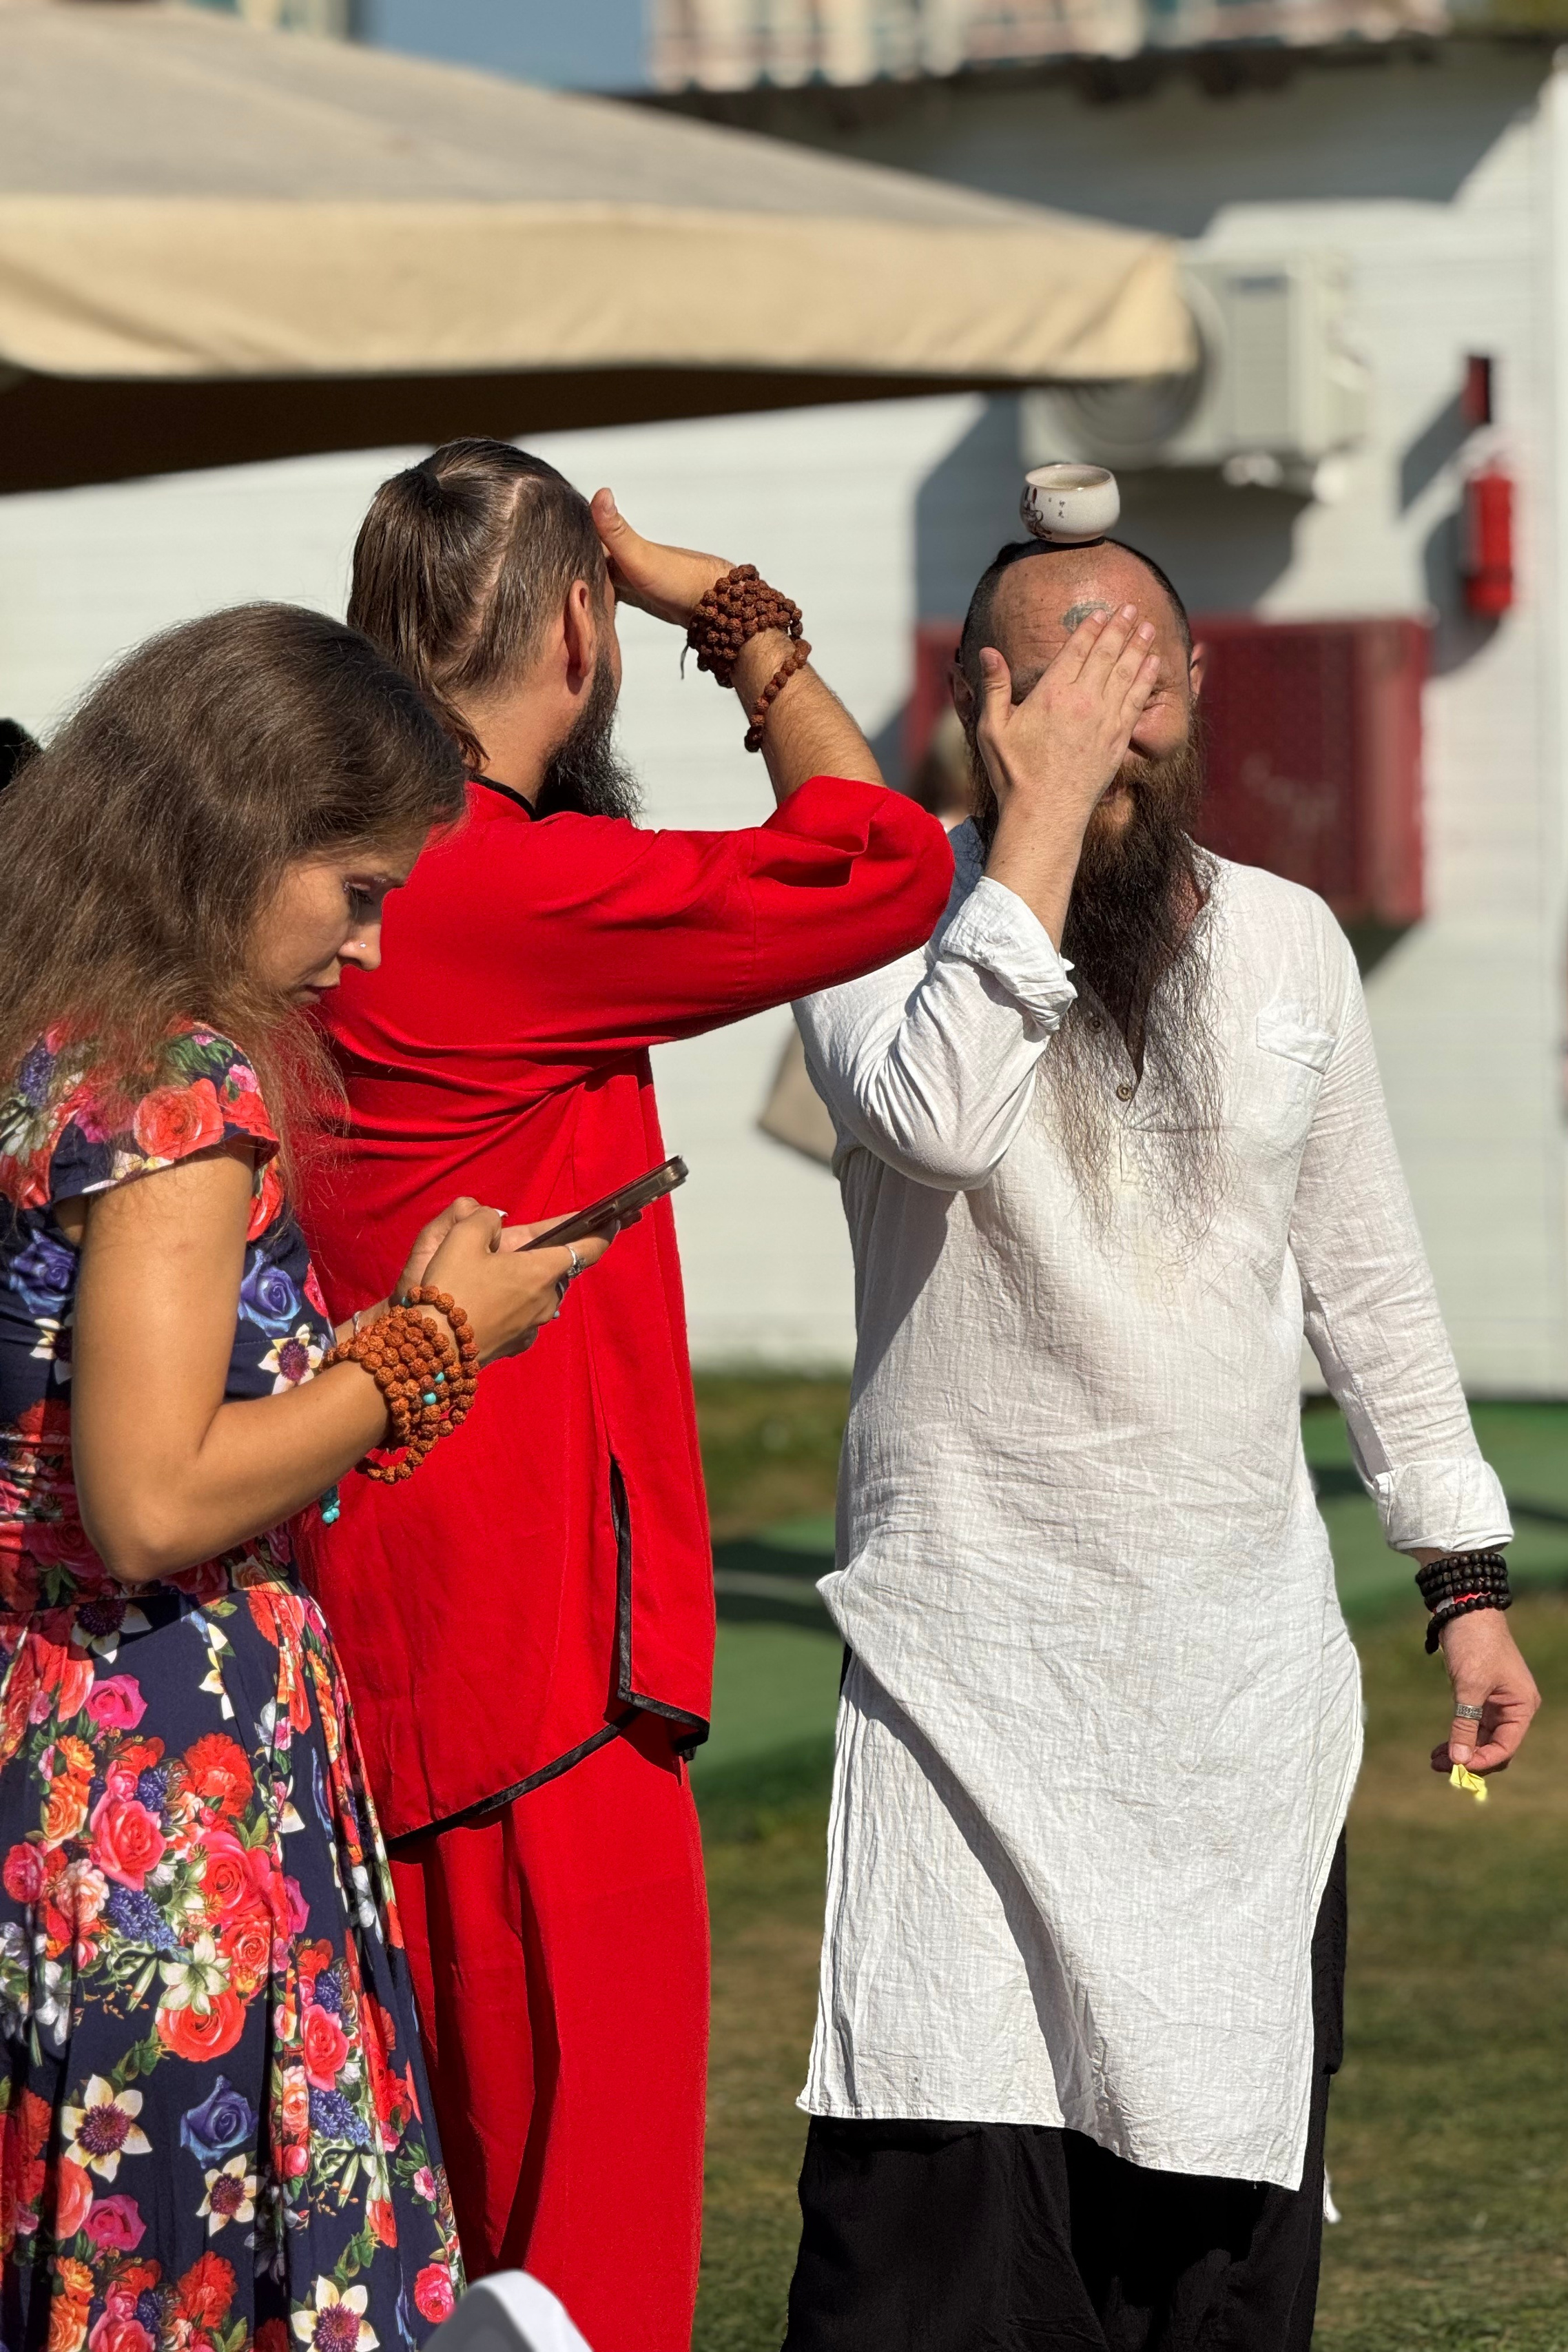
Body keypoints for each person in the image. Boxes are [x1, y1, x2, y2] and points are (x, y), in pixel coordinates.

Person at [785, 538, 1543, 2352]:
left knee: (1207, 2273)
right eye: (1061, 693)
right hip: (963, 1690)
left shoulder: (1286, 940)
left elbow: (1371, 1286)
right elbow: (942, 1118)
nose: (1109, 737)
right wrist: (1031, 829)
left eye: (1145, 694)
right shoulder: (873, 925)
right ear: (977, 700)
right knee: (936, 2262)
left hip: (1232, 1717)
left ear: (1197, 699)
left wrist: (1465, 1581)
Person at [296, 440, 953, 2349]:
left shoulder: (314, 885)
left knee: (413, 2267)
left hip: (375, 1644)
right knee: (582, 2284)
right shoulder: (494, 886)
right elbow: (882, 855)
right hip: (531, 1680)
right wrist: (737, 620)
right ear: (577, 630)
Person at [0, 606, 588, 2346]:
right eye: (358, 888)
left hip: (64, 1741)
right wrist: (426, 1349)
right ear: (239, 838)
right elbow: (156, 1500)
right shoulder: (175, 1093)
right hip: (163, 1781)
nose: (373, 948)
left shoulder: (51, 1046)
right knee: (186, 2265)